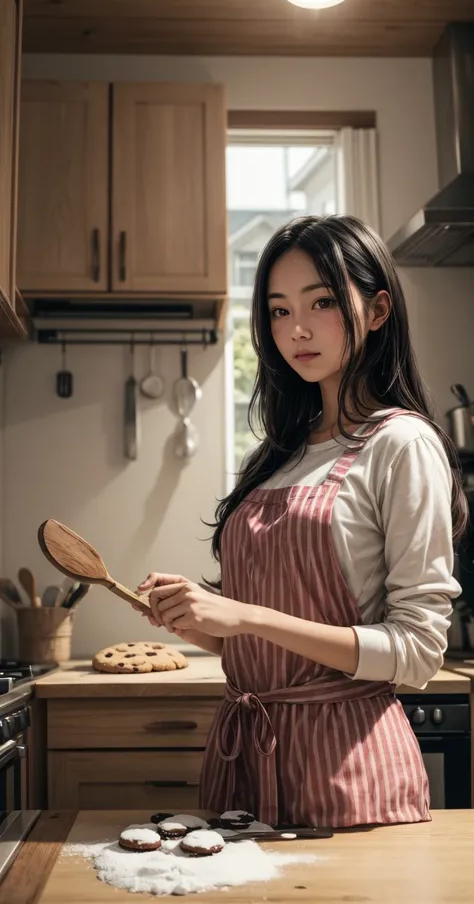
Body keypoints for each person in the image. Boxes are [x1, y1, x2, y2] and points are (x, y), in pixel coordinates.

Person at [135, 215, 466, 829]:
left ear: (377, 310)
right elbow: (265, 647)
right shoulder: (280, 453)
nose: (298, 329)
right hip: (246, 759)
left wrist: (245, 615)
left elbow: (420, 652)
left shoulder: (402, 444)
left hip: (347, 770)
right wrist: (196, 618)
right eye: (279, 311)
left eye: (321, 301)